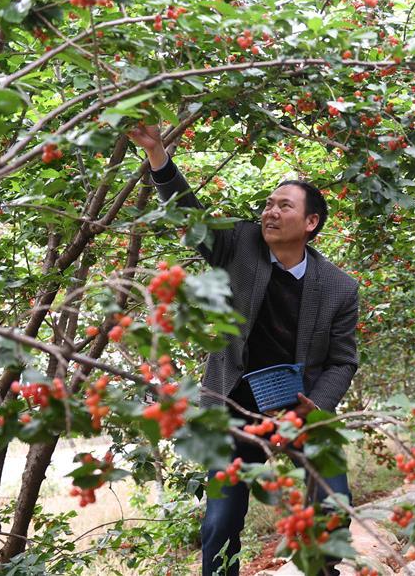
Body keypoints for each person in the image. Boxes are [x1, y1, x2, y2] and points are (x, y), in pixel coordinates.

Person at [129, 124, 359, 576]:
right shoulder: (240, 245)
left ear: (310, 223)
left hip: (300, 408)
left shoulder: (339, 287)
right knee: (221, 520)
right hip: (232, 406)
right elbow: (190, 218)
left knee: (333, 500)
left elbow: (343, 360)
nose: (270, 212)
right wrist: (157, 153)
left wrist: (316, 405)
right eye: (269, 204)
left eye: (284, 206)